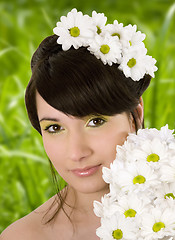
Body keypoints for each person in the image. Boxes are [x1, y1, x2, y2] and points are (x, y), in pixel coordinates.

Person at [0, 8, 157, 240]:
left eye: (95, 121)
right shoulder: (23, 236)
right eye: (55, 128)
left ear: (135, 114)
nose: (77, 152)